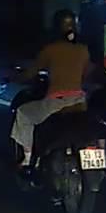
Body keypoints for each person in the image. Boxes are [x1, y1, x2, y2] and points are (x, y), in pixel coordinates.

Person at [10, 9, 90, 170]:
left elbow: (31, 73)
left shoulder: (50, 50)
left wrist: (15, 78)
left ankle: (27, 159)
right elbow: (86, 74)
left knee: (23, 113)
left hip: (56, 103)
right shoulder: (83, 50)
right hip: (80, 102)